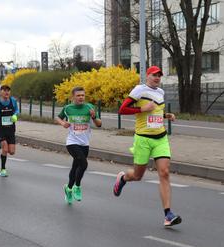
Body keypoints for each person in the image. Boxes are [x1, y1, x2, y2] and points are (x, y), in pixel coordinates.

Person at [113, 66, 182, 227]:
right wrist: (142, 108)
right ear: (147, 76)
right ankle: (123, 178)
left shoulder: (161, 92)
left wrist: (166, 115)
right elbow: (122, 110)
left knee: (164, 173)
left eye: (159, 75)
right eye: (154, 75)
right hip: (143, 139)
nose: (157, 78)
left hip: (160, 138)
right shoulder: (139, 90)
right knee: (138, 176)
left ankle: (168, 215)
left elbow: (155, 112)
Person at [56, 86, 102, 204]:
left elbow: (99, 124)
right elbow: (57, 117)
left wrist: (93, 117)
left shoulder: (89, 107)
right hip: (72, 142)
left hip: (85, 143)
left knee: (76, 167)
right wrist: (63, 123)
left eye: (83, 95)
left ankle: (68, 188)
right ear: (73, 97)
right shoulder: (68, 108)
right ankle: (77, 186)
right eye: (78, 95)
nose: (81, 97)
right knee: (84, 163)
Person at [0, 83, 19, 177]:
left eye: (8, 90)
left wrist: (15, 115)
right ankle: (3, 169)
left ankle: (0, 143)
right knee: (5, 148)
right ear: (0, 92)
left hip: (10, 129)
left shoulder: (13, 101)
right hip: (0, 130)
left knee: (12, 152)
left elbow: (17, 110)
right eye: (4, 90)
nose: (6, 92)